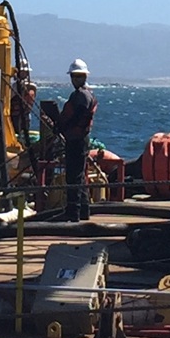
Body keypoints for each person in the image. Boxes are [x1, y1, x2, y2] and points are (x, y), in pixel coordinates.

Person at [43, 58, 98, 219]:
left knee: (73, 176)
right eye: (74, 76)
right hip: (78, 139)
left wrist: (63, 126)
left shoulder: (81, 96)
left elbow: (78, 114)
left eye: (78, 76)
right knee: (78, 176)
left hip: (77, 141)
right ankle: (83, 211)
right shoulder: (85, 94)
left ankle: (73, 212)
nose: (76, 79)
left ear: (84, 77)